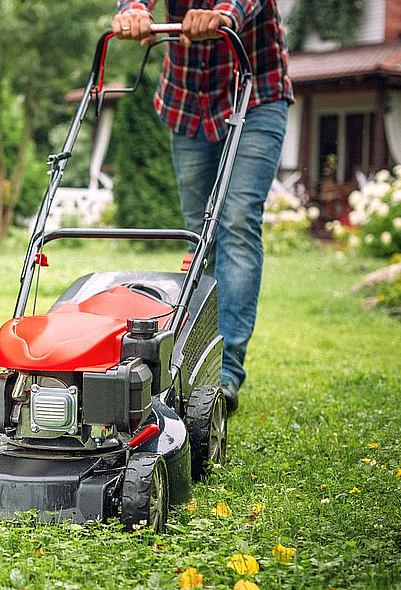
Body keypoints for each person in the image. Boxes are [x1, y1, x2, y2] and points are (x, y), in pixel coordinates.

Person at [112, 1, 293, 415]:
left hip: (256, 95)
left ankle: (227, 372)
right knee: (199, 235)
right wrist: (133, 10)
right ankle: (198, 360)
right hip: (188, 102)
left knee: (237, 220)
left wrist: (223, 15)